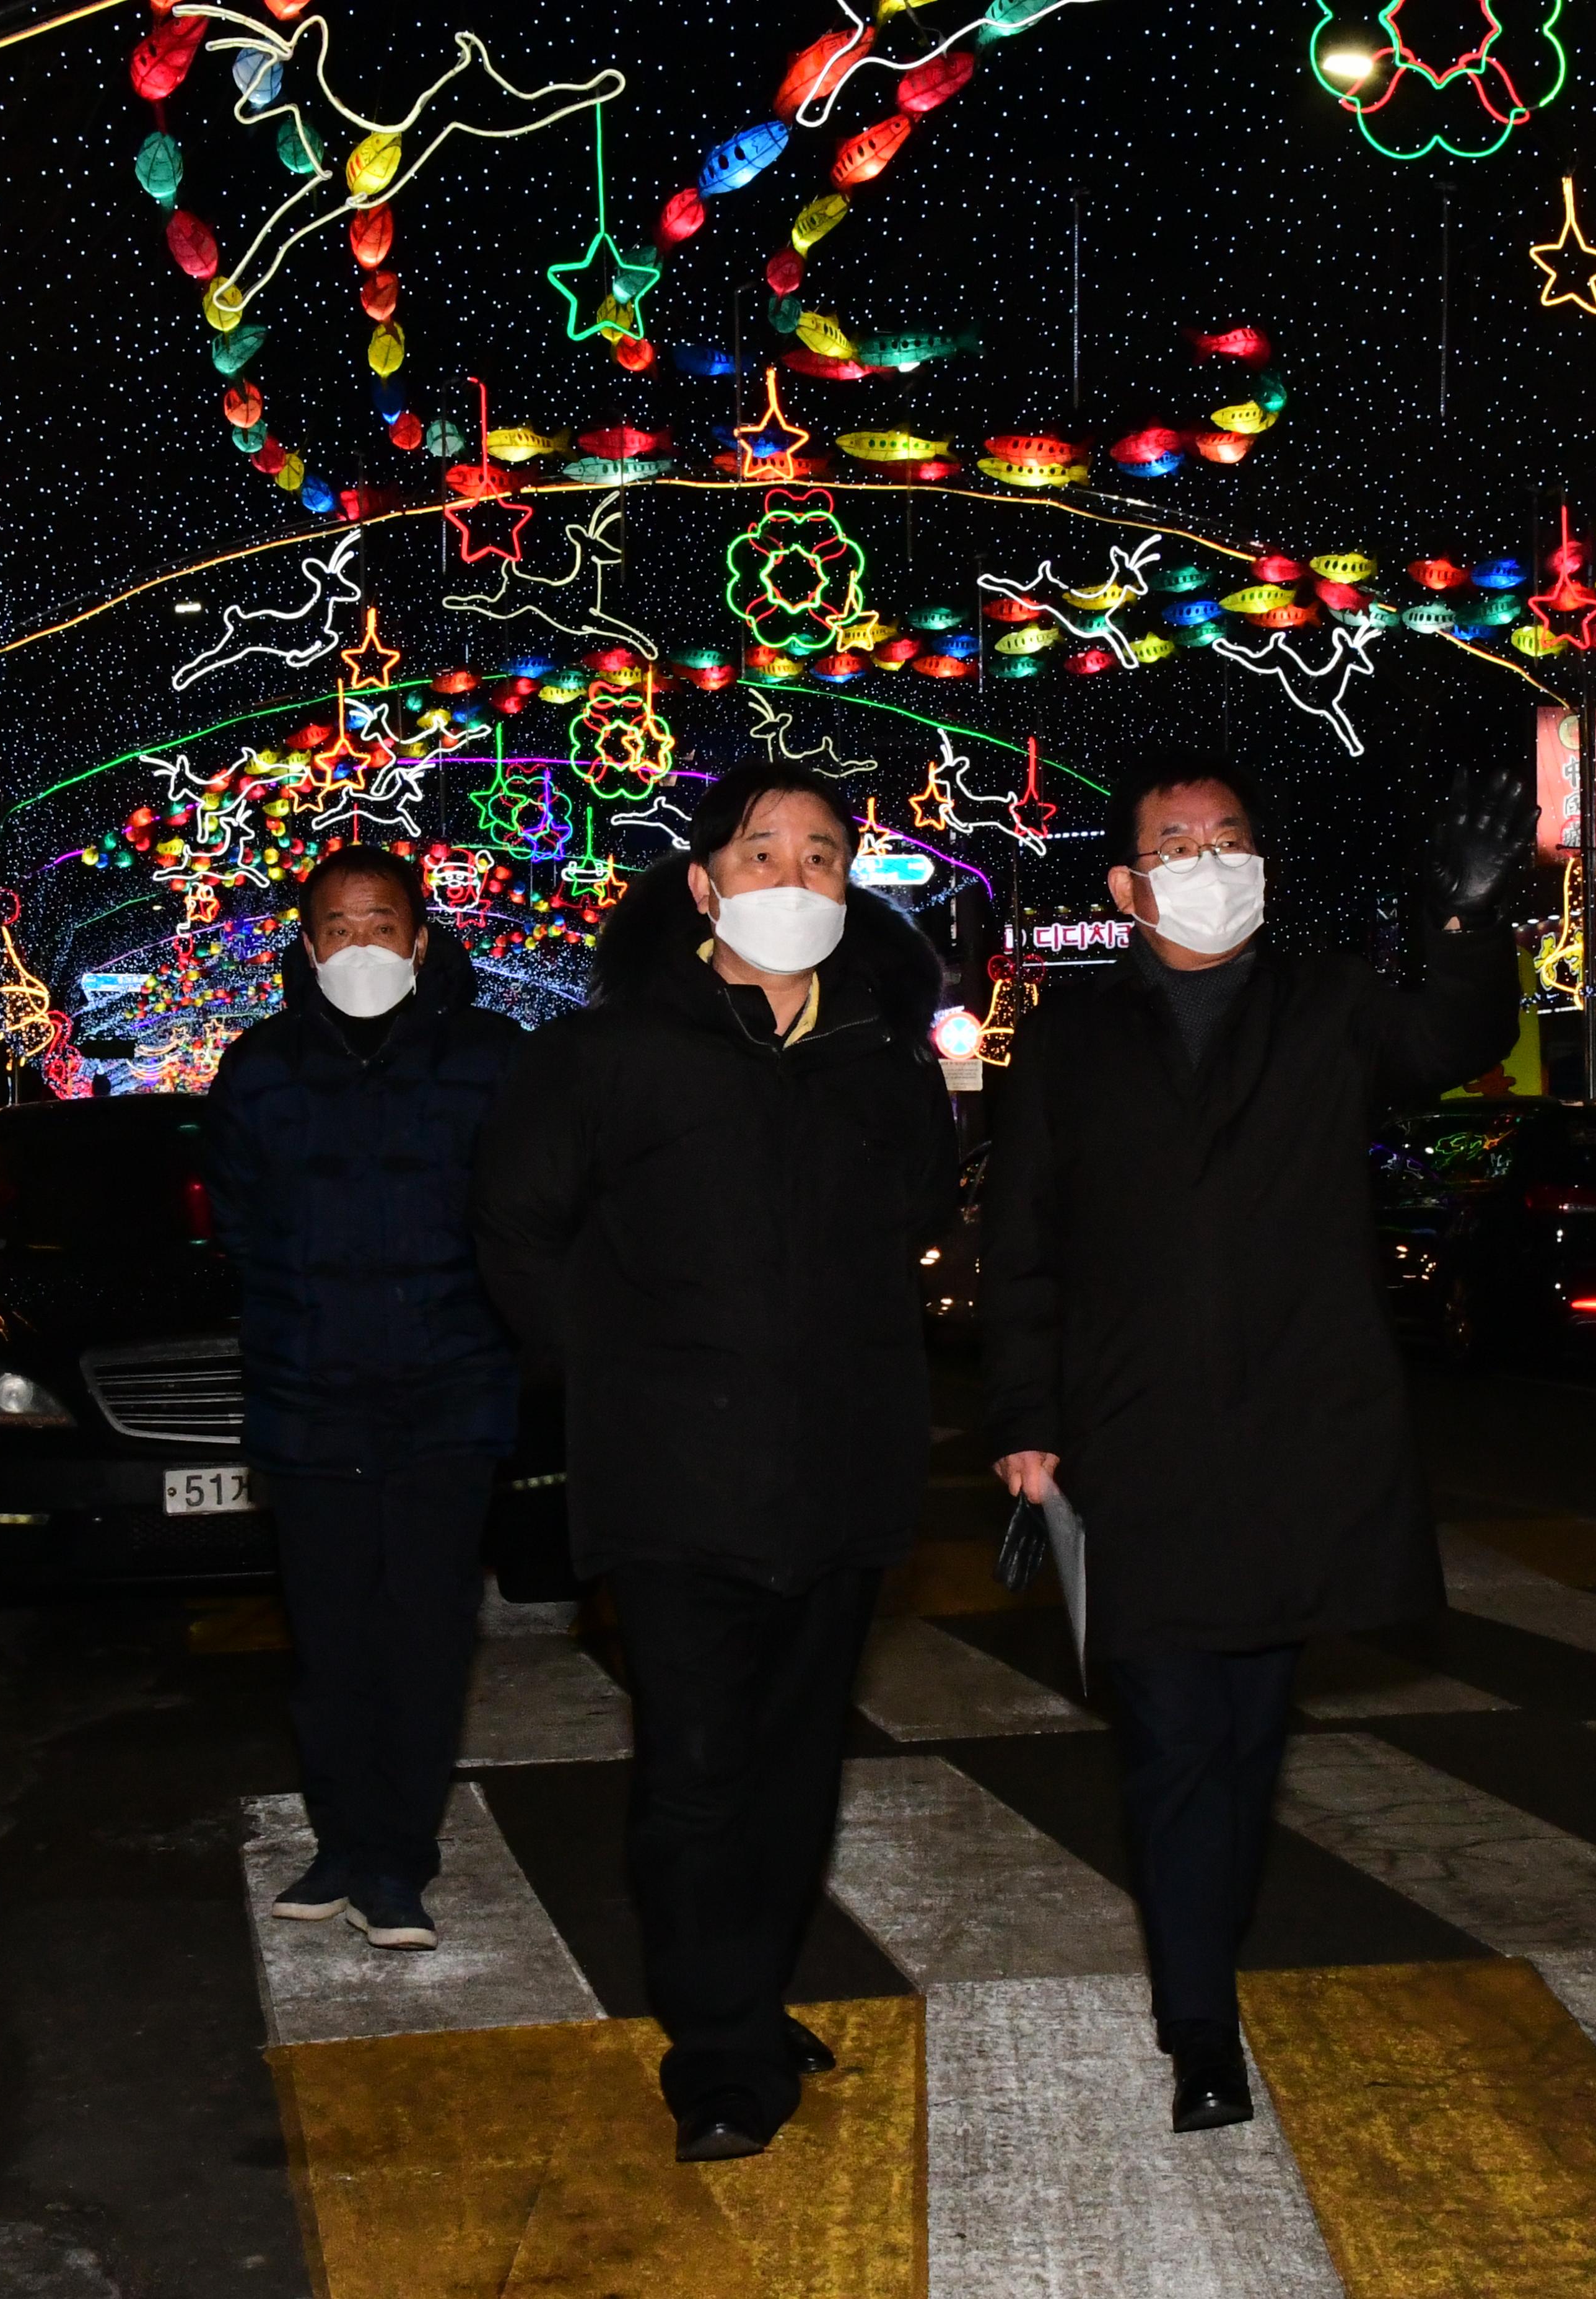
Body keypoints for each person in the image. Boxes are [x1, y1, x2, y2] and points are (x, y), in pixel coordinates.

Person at [980, 762, 1528, 2132]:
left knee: (1247, 1736)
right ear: (1125, 886)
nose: (1208, 856)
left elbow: (1452, 1038)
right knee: (1171, 1737)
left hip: (1299, 1434)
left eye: (1231, 836)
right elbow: (1025, 1242)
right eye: (1177, 842)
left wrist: (1465, 920)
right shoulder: (1067, 1035)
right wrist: (1027, 1425)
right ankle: (1200, 2022)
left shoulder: (1332, 1002)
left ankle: (1202, 1953)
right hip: (1136, 1440)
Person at [475, 764, 958, 2163]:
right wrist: (618, 1366)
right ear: (701, 881)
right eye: (762, 851)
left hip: (842, 1481)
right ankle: (720, 2059)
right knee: (693, 1772)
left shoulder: (883, 1057)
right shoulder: (609, 1054)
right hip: (674, 1489)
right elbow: (514, 1228)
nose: (794, 877)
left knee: (796, 1773)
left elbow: (920, 1219)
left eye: (822, 854)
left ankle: (745, 1991)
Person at [205, 845, 522, 1955]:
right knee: (330, 1637)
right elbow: (237, 1226)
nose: (359, 946)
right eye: (335, 927)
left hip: (448, 1396)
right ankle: (341, 1840)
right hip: (309, 1399)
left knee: (425, 1636)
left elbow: (524, 1215)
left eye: (380, 924)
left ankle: (399, 1859)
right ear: (304, 946)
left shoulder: (488, 1060)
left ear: (420, 938)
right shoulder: (259, 1067)